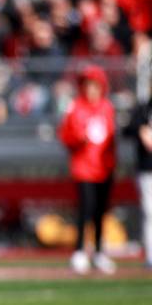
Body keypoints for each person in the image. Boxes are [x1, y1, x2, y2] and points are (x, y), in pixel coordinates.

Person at [58, 64, 117, 274]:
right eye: (88, 85)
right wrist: (80, 138)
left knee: (101, 211)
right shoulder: (76, 107)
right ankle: (80, 251)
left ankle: (100, 251)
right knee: (86, 210)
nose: (92, 89)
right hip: (83, 168)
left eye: (95, 85)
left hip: (104, 168)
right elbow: (65, 135)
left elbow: (111, 139)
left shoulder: (107, 107)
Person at [128, 93, 152, 268]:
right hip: (147, 169)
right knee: (149, 212)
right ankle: (151, 255)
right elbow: (127, 129)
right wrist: (140, 130)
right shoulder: (144, 109)